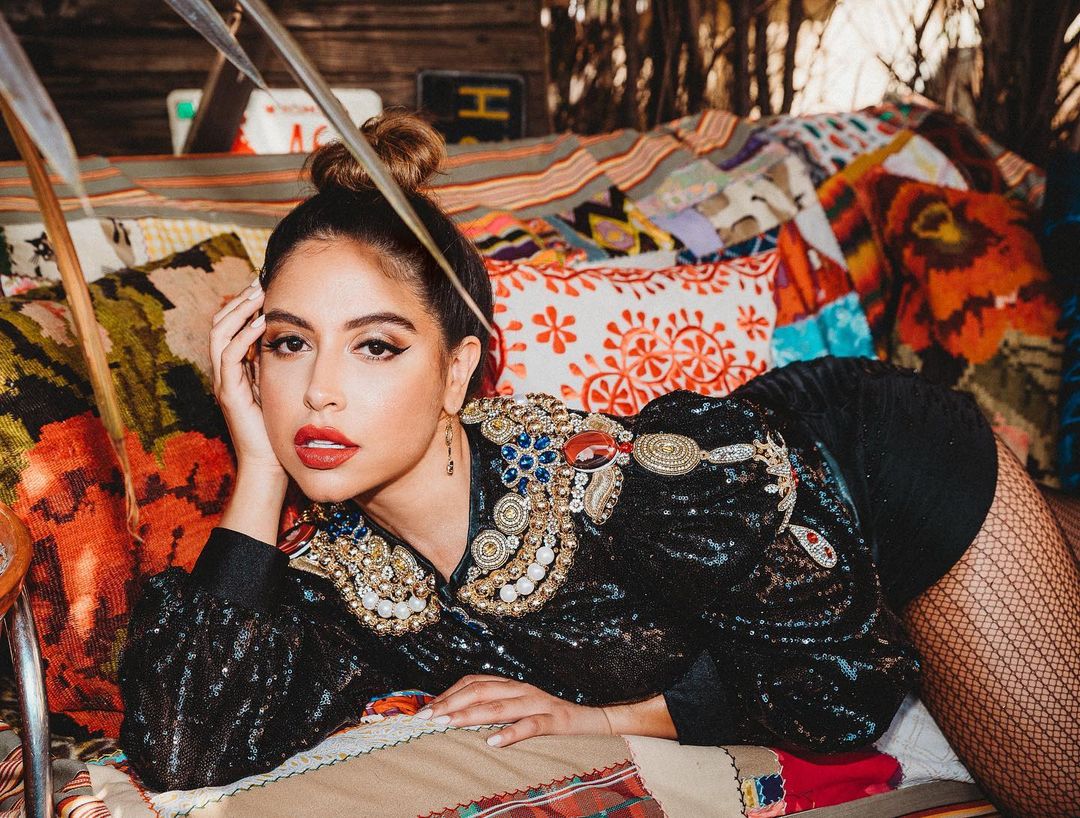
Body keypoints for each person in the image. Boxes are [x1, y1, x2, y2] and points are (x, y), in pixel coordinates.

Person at [119, 112, 1080, 816]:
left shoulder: (605, 483)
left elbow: (839, 676)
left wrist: (614, 716)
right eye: (289, 345)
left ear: (456, 370)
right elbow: (185, 746)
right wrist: (258, 465)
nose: (319, 392)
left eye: (375, 346)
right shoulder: (335, 577)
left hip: (882, 481)